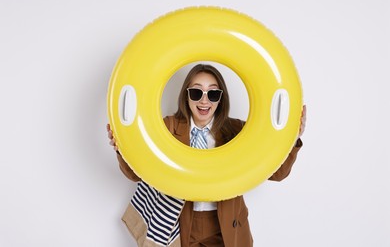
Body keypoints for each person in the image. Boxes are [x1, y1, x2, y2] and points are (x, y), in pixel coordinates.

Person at [107, 64, 306, 247]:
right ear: (186, 96)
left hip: (225, 227)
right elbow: (136, 174)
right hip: (181, 225)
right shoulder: (166, 129)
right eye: (196, 92)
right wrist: (122, 147)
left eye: (212, 94)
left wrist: (292, 139)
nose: (204, 100)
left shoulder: (238, 132)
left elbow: (277, 173)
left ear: (220, 98)